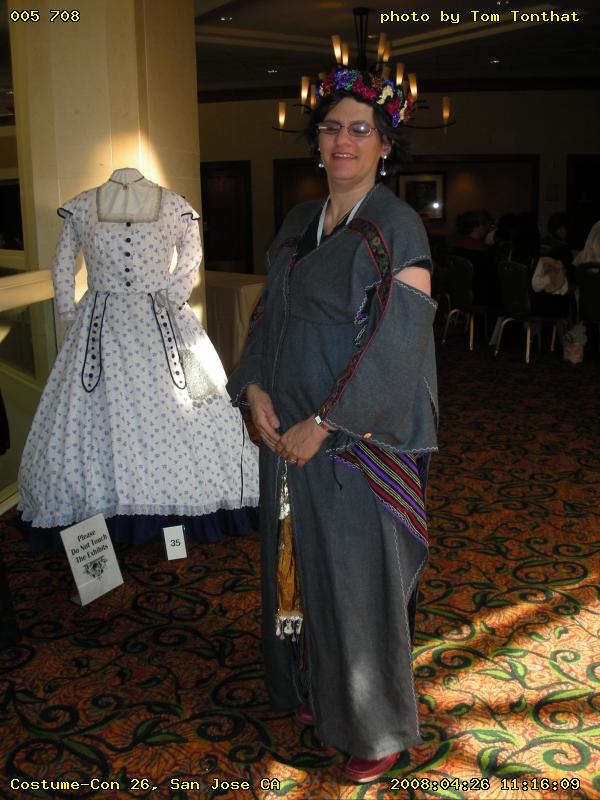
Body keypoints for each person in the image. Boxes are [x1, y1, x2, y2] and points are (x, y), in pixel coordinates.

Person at [227, 67, 438, 783]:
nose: (343, 140)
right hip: (285, 436)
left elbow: (398, 348)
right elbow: (269, 317)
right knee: (301, 568)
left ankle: (375, 727)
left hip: (355, 444)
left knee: (356, 582)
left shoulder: (396, 227)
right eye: (331, 128)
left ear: (385, 144)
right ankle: (315, 685)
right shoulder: (297, 222)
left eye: (359, 129)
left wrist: (326, 423)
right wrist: (254, 388)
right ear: (316, 142)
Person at [18, 168, 259, 546]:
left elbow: (191, 255)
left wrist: (174, 295)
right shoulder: (82, 206)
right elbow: (63, 261)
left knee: (194, 400)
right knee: (97, 415)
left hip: (158, 319)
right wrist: (68, 309)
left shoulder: (174, 206)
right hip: (106, 326)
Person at [450, 209, 496, 304]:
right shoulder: (482, 252)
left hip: (456, 296)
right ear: (479, 227)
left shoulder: (454, 248)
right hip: (479, 298)